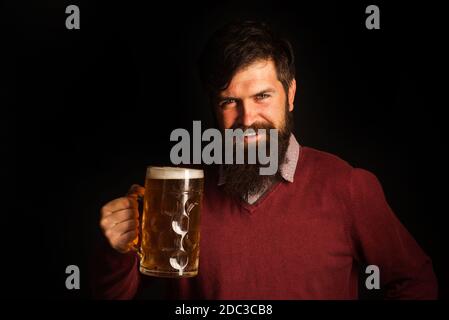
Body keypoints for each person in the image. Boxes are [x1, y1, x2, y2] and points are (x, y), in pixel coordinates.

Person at [92, 21, 438, 299]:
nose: (247, 118)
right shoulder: (179, 197)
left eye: (262, 96)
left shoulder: (347, 186)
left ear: (290, 95)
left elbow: (415, 282)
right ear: (214, 108)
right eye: (230, 102)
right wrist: (119, 250)